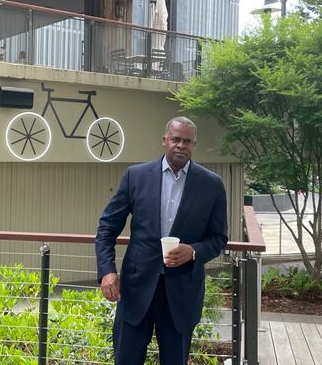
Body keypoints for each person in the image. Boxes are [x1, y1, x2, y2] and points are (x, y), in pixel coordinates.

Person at [95, 116, 228, 364]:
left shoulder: (212, 185)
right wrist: (107, 271)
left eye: (187, 141)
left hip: (182, 293)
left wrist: (194, 251)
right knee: (126, 359)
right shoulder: (136, 176)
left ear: (194, 145)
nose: (181, 145)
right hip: (135, 291)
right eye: (176, 139)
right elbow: (107, 226)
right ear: (164, 141)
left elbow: (219, 238)